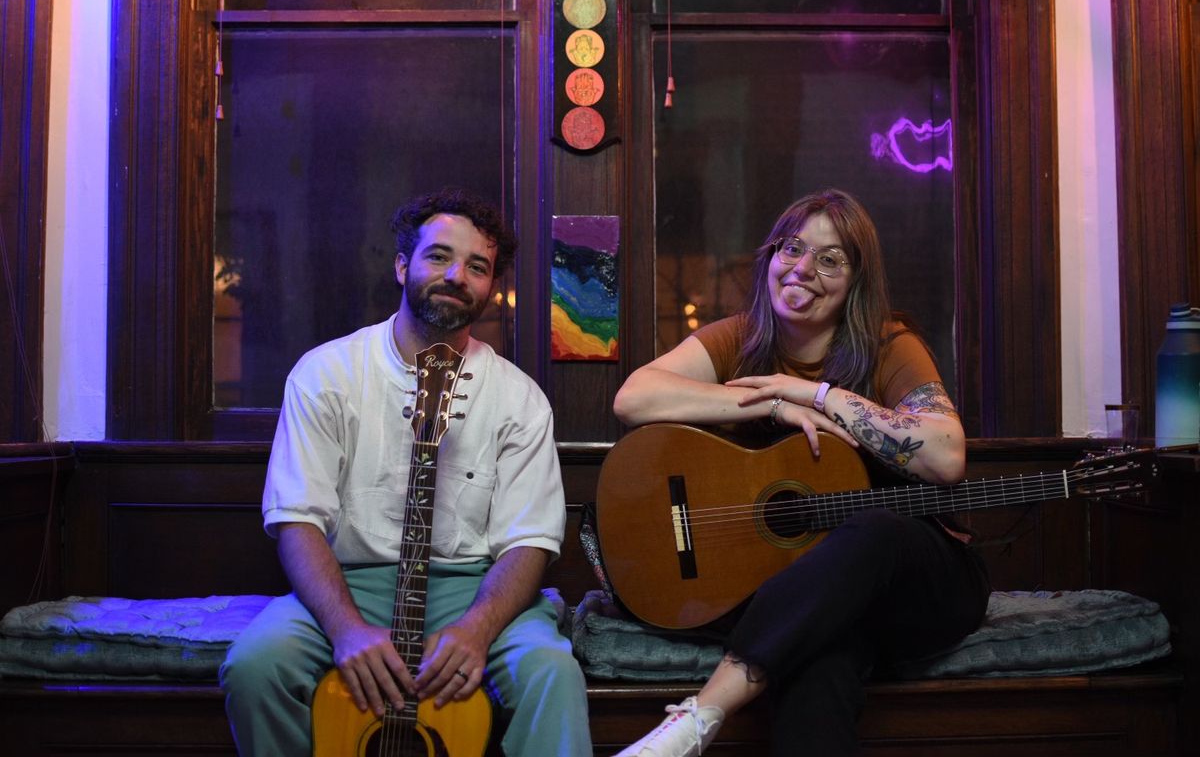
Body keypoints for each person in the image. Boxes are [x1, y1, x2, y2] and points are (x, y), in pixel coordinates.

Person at [611, 189, 990, 756]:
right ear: (771, 256)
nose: (804, 269)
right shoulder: (739, 338)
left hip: (920, 580)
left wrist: (816, 392)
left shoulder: (890, 345)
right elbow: (633, 399)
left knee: (875, 526)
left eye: (831, 259)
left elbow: (945, 457)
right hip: (813, 593)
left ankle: (700, 716)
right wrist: (771, 405)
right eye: (793, 248)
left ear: (855, 280)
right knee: (820, 654)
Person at [220, 188, 592, 756]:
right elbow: (297, 518)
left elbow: (530, 541)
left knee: (551, 673)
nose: (457, 276)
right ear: (402, 265)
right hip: (350, 585)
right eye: (438, 256)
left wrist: (476, 631)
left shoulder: (520, 400)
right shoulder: (326, 375)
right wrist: (345, 629)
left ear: (491, 287)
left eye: (477, 266)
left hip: (474, 590)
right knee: (255, 666)